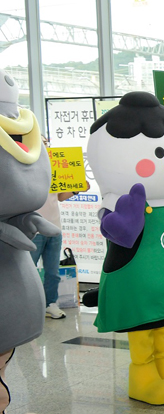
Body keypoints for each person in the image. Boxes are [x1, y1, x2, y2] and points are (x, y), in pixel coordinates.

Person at [29, 136, 83, 319]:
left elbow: (59, 196)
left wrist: (76, 189)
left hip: (54, 228)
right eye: (42, 143)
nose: (45, 146)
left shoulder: (56, 168)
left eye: (47, 143)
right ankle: (28, 306)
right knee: (29, 271)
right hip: (33, 229)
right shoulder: (26, 167)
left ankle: (50, 304)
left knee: (52, 271)